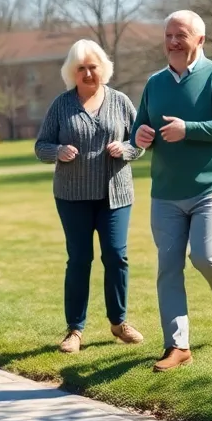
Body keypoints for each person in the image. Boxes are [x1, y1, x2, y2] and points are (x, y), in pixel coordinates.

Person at [132, 10, 212, 373]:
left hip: (210, 186)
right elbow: (138, 130)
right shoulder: (155, 83)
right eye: (168, 35)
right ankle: (177, 345)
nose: (172, 42)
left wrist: (189, 129)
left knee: (204, 255)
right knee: (168, 267)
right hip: (165, 191)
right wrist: (140, 138)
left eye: (180, 35)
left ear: (200, 40)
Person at [34, 39, 145, 354]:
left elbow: (139, 139)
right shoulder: (61, 105)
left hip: (115, 195)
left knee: (116, 256)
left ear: (102, 69)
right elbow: (41, 146)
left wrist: (125, 148)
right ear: (72, 72)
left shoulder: (120, 101)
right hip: (72, 196)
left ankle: (119, 322)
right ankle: (74, 330)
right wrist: (57, 151)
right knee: (80, 260)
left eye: (92, 67)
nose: (87, 73)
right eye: (80, 68)